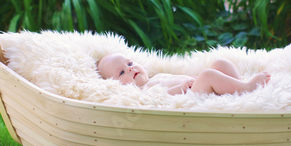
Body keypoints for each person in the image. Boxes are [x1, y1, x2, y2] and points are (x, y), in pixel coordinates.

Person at [97, 53, 271, 96]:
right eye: (121, 72)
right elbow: (161, 98)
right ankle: (248, 88)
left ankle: (236, 89)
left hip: (196, 88)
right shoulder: (142, 93)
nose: (129, 68)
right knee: (208, 75)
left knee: (220, 63)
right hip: (191, 98)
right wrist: (180, 87)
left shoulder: (155, 77)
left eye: (129, 63)